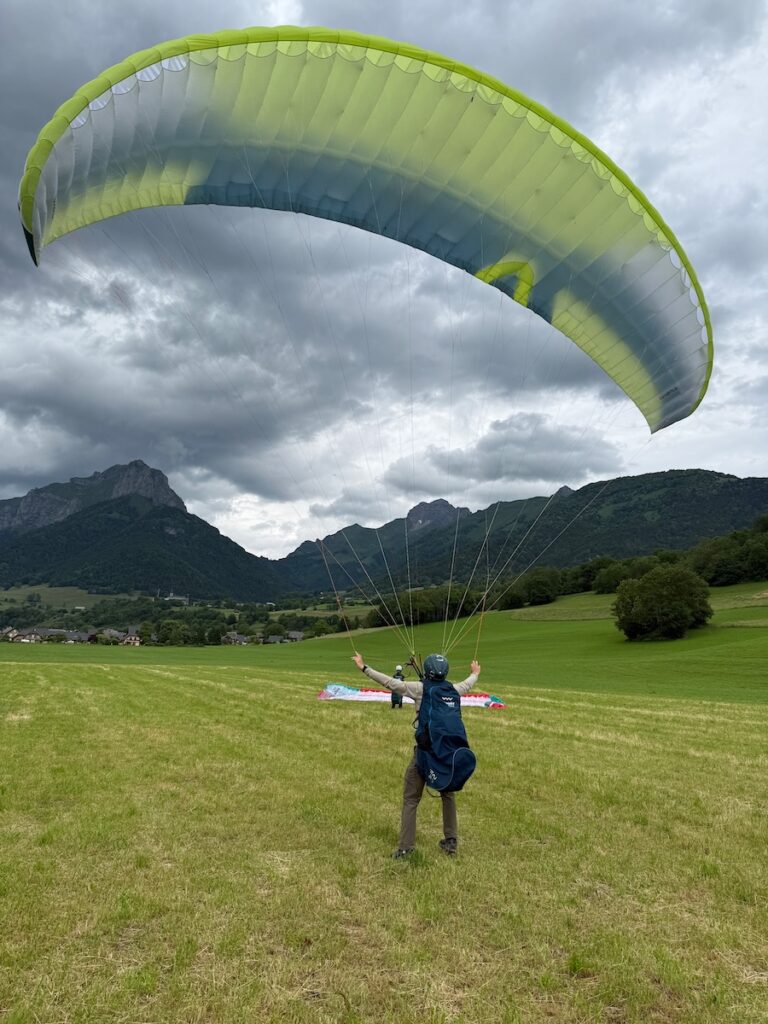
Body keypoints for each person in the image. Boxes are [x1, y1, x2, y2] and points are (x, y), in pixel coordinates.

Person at [352, 650, 481, 858]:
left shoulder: (420, 689)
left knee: (411, 798)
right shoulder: (453, 690)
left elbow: (391, 683)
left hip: (426, 753)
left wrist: (364, 668)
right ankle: (451, 841)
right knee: (448, 792)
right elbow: (468, 684)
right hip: (447, 753)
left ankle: (406, 848)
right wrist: (475, 672)